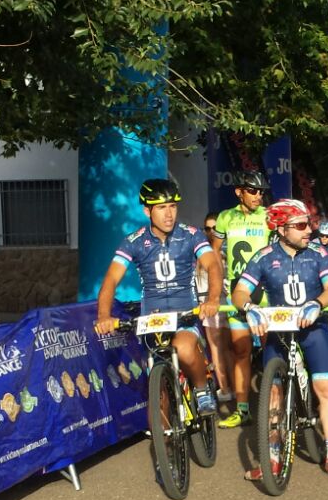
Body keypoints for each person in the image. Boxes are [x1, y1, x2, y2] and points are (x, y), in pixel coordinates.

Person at [233, 199, 328, 478]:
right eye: (300, 225)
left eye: (309, 224)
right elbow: (240, 291)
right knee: (273, 392)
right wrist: (248, 308)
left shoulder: (319, 252)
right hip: (278, 330)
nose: (308, 230)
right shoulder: (263, 256)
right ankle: (271, 457)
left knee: (326, 389)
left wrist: (318, 303)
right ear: (281, 229)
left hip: (313, 327)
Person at [93, 179, 223, 415]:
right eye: (162, 208)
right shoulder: (133, 242)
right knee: (158, 391)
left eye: (172, 206)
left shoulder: (192, 235)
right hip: (152, 320)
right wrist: (103, 316)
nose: (169, 214)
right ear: (147, 211)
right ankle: (165, 434)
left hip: (186, 314)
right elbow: (110, 280)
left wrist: (212, 299)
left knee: (184, 349)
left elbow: (213, 266)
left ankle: (202, 389)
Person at [215, 171, 270, 428]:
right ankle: (242, 409)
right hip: (236, 292)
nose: (258, 195)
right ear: (239, 191)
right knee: (241, 351)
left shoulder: (268, 216)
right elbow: (214, 253)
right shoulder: (225, 217)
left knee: (273, 350)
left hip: (266, 293)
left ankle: (279, 407)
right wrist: (216, 286)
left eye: (261, 192)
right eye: (253, 190)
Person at [200, 211, 234, 406]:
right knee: (217, 348)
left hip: (229, 302)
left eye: (215, 227)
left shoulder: (228, 249)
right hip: (210, 304)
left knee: (230, 348)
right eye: (207, 228)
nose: (211, 231)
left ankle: (236, 389)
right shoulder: (201, 251)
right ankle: (226, 389)